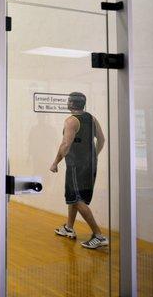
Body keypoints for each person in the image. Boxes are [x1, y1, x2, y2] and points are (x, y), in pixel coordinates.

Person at [50, 92, 108, 249]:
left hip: (76, 166)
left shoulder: (71, 121)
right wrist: (93, 156)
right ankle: (69, 227)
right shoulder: (92, 118)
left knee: (77, 199)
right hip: (90, 164)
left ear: (71, 104)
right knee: (74, 196)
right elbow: (102, 140)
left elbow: (65, 146)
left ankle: (98, 235)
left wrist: (55, 162)